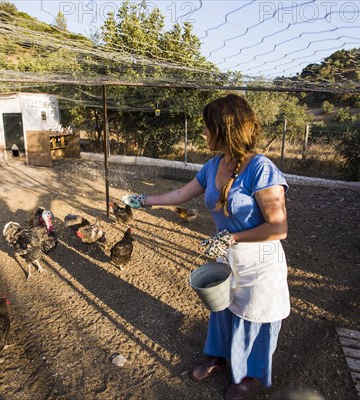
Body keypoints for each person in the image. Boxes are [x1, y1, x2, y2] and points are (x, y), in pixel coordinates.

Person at [124, 93, 290, 400]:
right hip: (228, 254)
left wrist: (232, 237)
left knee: (253, 313)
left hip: (259, 259)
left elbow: (278, 227)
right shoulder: (214, 166)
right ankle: (217, 356)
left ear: (225, 128)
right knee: (222, 306)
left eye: (207, 126)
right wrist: (143, 200)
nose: (203, 132)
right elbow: (180, 194)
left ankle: (245, 375)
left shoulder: (261, 169)